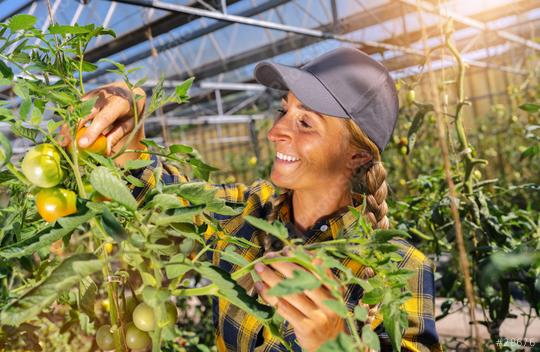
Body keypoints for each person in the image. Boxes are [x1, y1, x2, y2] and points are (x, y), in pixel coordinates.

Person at [65, 47, 442, 352]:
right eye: (283, 110)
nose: (276, 130)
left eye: (306, 122)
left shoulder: (400, 265)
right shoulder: (246, 211)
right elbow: (159, 191)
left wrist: (337, 342)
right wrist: (129, 121)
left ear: (357, 155)